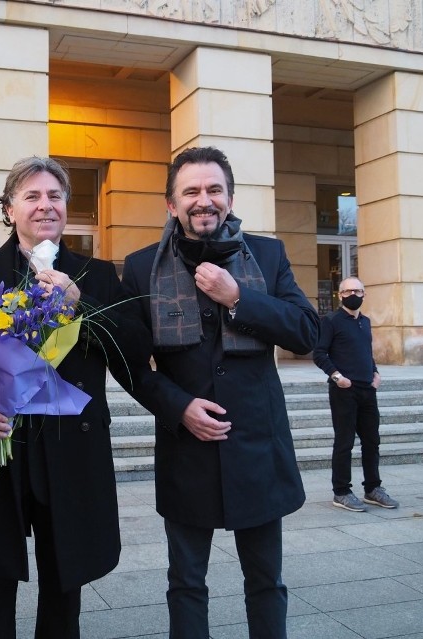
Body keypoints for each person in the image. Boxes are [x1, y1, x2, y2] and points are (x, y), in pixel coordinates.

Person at [0, 156, 150, 639]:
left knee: (64, 593)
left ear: (66, 208)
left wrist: (84, 303)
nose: (45, 206)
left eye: (54, 196)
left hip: (70, 452)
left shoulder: (97, 274)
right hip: (0, 456)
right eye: (32, 196)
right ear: (10, 209)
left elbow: (136, 351)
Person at [121, 146, 320, 639]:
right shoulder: (142, 266)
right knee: (186, 582)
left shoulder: (268, 253)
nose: (203, 200)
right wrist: (178, 406)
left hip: (257, 447)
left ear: (230, 198)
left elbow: (306, 332)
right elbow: (129, 365)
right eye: (191, 191)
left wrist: (239, 297)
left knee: (266, 581)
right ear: (172, 204)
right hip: (187, 449)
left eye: (214, 190)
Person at [313, 277, 399, 512]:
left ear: (364, 294)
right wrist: (337, 377)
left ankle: (373, 488)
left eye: (358, 290)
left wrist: (375, 372)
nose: (354, 294)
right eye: (349, 290)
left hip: (367, 390)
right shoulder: (330, 321)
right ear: (340, 295)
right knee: (344, 442)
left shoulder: (366, 322)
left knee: (372, 441)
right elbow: (319, 354)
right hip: (344, 390)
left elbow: (365, 352)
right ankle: (341, 492)